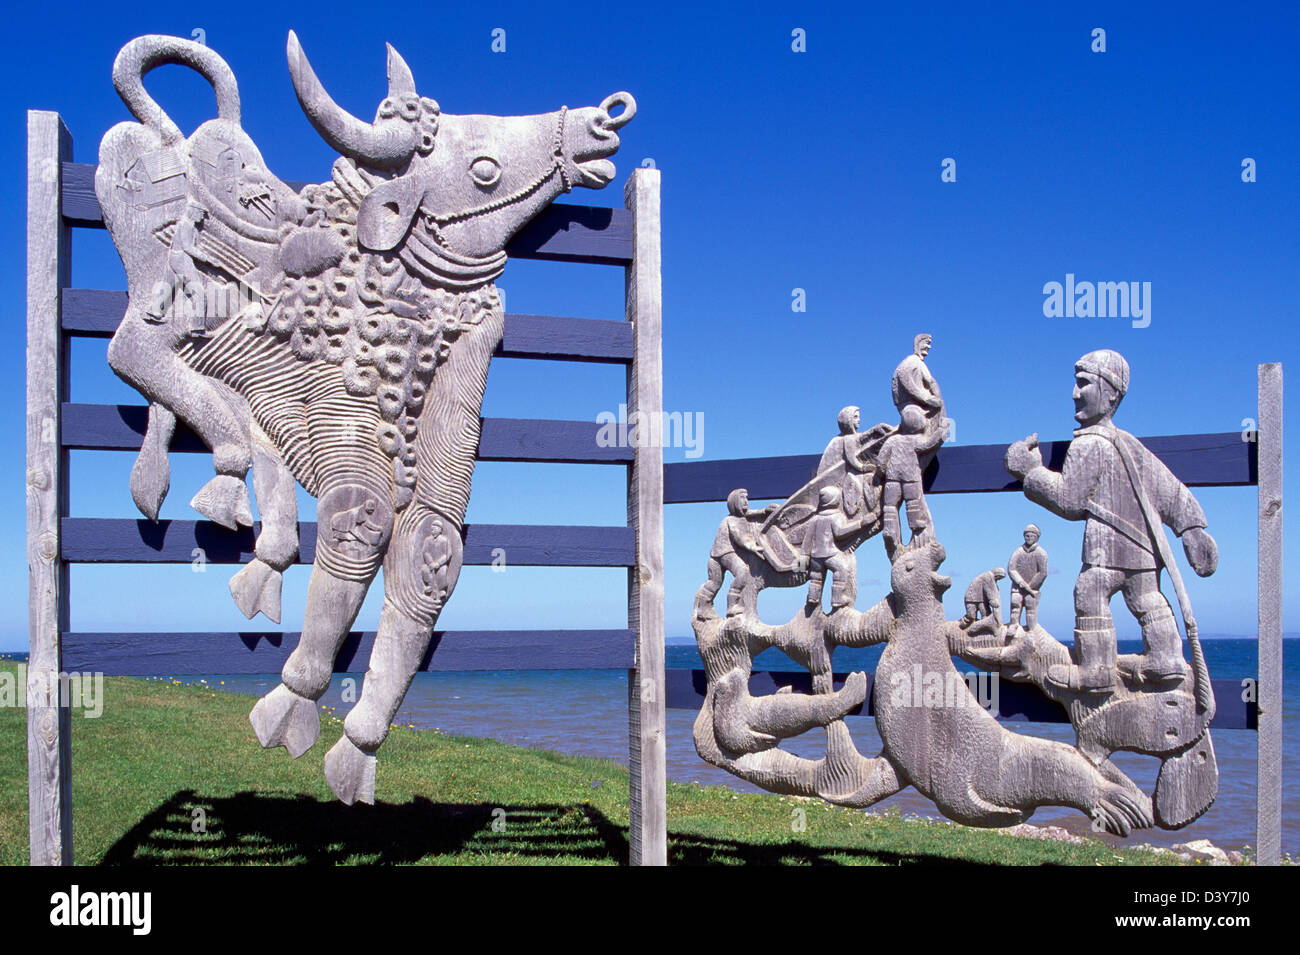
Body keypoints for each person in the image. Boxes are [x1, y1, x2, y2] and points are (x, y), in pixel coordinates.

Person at [1005, 350, 1218, 693]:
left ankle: (1097, 671)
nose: (1074, 394)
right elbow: (1172, 492)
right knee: (1147, 600)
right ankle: (1166, 660)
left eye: (1083, 383)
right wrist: (1192, 528)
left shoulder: (1088, 445)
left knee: (1089, 592)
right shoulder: (1130, 445)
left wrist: (1030, 472)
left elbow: (1070, 501)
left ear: (1111, 393)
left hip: (1105, 547)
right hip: (1143, 548)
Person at [694, 488, 778, 618]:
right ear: (734, 502)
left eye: (747, 498)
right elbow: (740, 537)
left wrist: (764, 511)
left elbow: (750, 513)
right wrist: (753, 547)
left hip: (716, 556)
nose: (746, 502)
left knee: (714, 582)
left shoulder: (738, 517)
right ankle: (732, 604)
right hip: (724, 553)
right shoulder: (732, 520)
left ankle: (703, 607)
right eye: (742, 498)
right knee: (743, 572)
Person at [803, 486, 869, 611]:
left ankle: (813, 597)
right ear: (834, 500)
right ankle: (837, 599)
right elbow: (840, 532)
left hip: (815, 557)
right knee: (841, 570)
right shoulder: (836, 517)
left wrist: (804, 557)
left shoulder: (815, 519)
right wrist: (859, 524)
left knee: (816, 577)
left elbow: (807, 541)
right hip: (830, 554)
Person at [1006, 524, 1049, 636]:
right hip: (1017, 586)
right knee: (1015, 605)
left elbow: (1042, 572)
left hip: (1032, 588)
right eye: (1027, 535)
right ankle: (1013, 625)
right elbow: (1012, 569)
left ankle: (1031, 628)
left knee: (1031, 608)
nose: (1029, 538)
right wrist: (1020, 582)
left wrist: (1031, 586)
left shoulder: (1041, 553)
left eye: (1031, 535)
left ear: (1037, 537)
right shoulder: (1018, 551)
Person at [959, 567, 1005, 635]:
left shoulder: (991, 578)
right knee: (971, 616)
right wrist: (992, 601)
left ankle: (983, 631)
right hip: (972, 598)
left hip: (982, 599)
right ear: (997, 574)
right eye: (999, 577)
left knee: (986, 615)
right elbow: (988, 590)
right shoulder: (988, 577)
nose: (999, 579)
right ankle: (960, 628)